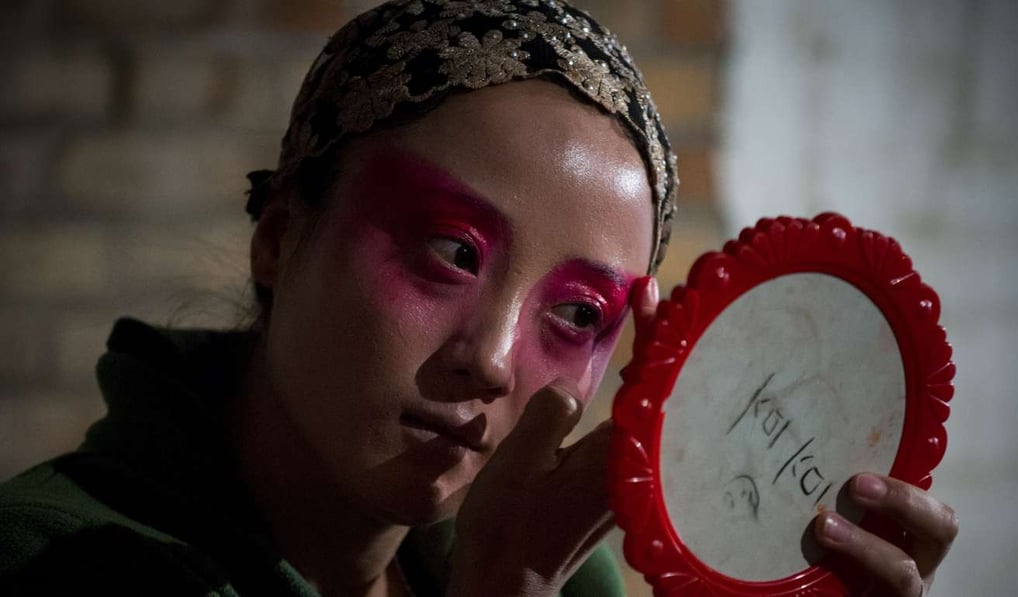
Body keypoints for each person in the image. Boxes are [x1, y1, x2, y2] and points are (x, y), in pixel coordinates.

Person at [0, 1, 956, 596]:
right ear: (281, 235)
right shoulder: (48, 560)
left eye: (577, 315)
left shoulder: (563, 570)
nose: (492, 360)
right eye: (451, 253)